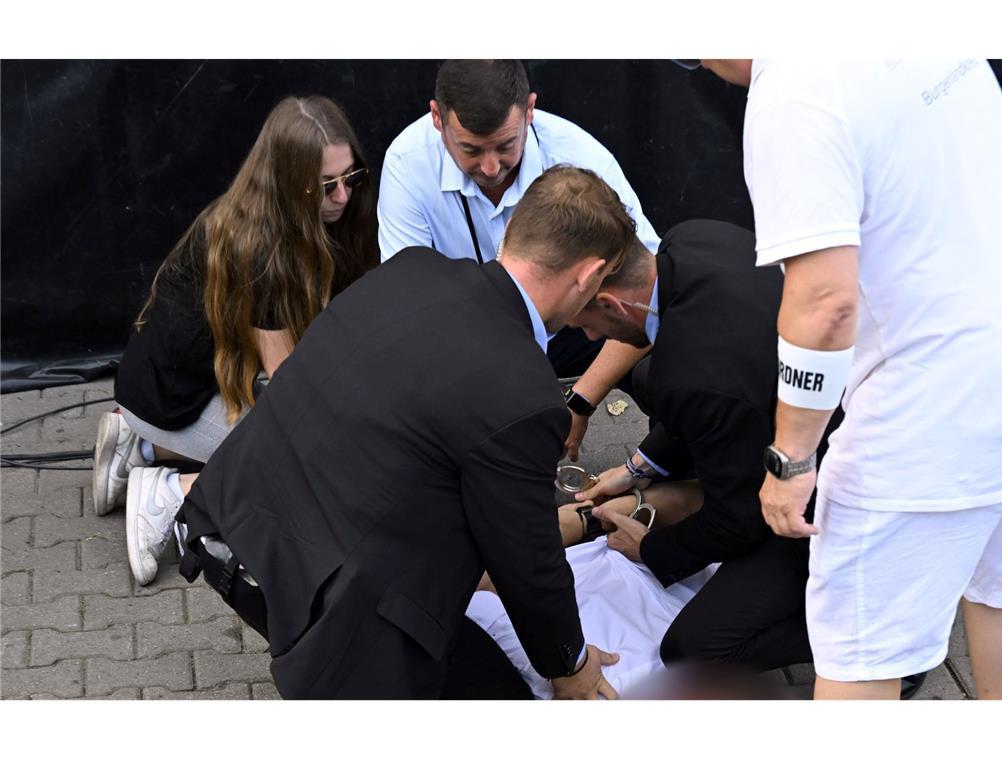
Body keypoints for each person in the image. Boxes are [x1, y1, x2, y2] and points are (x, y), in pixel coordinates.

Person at [696, 60, 1002, 699]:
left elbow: (826, 304)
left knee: (861, 658)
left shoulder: (795, 93)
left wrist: (791, 462)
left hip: (938, 399)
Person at [177, 166, 633, 699]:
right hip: (320, 600)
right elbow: (526, 560)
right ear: (588, 276)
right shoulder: (525, 394)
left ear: (512, 232)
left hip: (230, 528)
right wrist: (571, 665)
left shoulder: (411, 269)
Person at [90, 95, 377, 587]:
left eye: (350, 178)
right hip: (169, 398)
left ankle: (139, 448)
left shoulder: (315, 218)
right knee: (303, 467)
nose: (343, 197)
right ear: (288, 184)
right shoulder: (261, 246)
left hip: (193, 383)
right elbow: (291, 392)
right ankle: (168, 491)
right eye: (325, 185)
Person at [565, 220, 833, 675]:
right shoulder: (693, 239)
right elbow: (711, 401)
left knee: (692, 650)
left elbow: (737, 522)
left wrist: (652, 550)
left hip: (833, 492)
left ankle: (890, 639)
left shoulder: (692, 377)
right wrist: (637, 467)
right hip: (799, 407)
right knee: (653, 380)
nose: (591, 339)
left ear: (608, 302)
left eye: (585, 325)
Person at [377, 59, 659, 460]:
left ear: (530, 110)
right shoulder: (407, 163)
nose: (490, 168)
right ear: (437, 119)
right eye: (470, 150)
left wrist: (580, 401)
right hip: (466, 334)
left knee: (661, 362)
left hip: (575, 325)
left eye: (507, 145)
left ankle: (661, 474)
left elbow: (651, 294)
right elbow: (408, 307)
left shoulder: (578, 154)